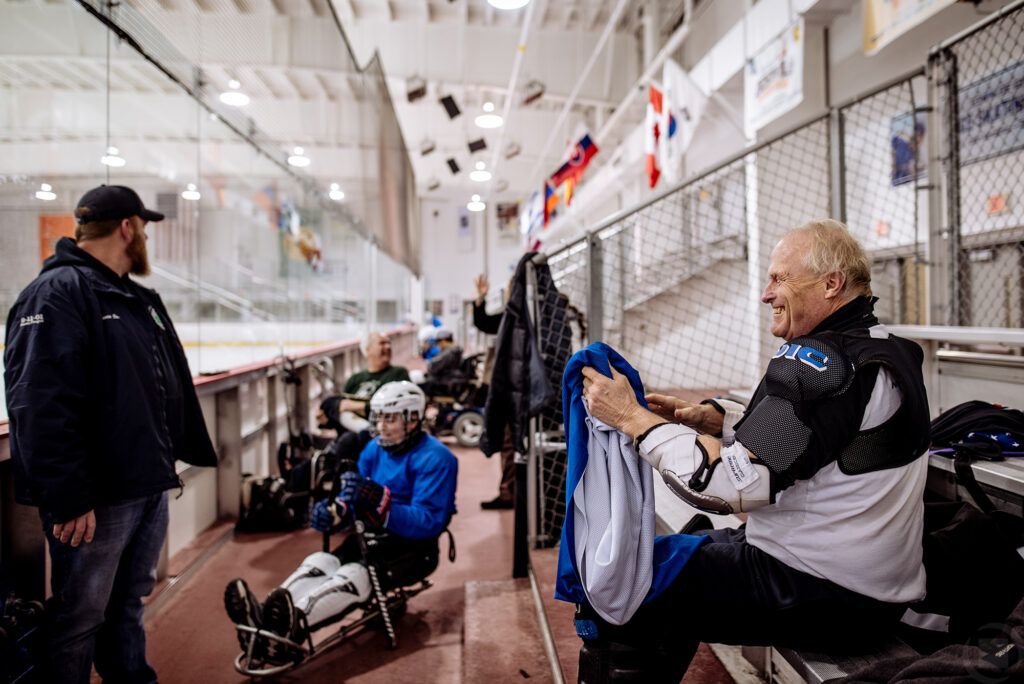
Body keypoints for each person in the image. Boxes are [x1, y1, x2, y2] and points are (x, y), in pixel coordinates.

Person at [577, 219, 931, 679]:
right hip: (867, 590)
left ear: (831, 284)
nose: (766, 293)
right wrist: (722, 420)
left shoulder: (817, 363)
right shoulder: (887, 350)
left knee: (619, 582)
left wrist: (632, 419)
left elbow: (728, 490)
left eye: (779, 278)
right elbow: (825, 439)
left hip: (819, 590)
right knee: (666, 558)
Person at [3, 184, 217, 683]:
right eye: (144, 227)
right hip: (96, 500)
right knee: (80, 617)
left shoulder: (132, 297)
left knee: (126, 606)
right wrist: (70, 495)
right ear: (128, 227)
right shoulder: (56, 294)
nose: (144, 236)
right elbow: (38, 402)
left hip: (143, 485)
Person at [224, 381, 457, 664]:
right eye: (379, 417)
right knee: (320, 562)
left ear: (413, 418)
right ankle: (264, 621)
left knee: (353, 576)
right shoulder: (374, 449)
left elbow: (428, 522)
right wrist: (335, 512)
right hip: (369, 538)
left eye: (391, 418)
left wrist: (379, 503)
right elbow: (353, 498)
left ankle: (290, 626)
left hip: (414, 550)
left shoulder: (438, 458)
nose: (382, 426)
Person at [472, 274, 514, 510]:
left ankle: (513, 493)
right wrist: (481, 297)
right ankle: (509, 492)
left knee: (511, 442)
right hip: (509, 391)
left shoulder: (539, 315)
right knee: (509, 442)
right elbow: (484, 323)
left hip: (522, 391)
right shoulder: (511, 317)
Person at [317, 331, 410, 434]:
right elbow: (342, 409)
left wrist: (355, 406)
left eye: (389, 343)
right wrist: (327, 420)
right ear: (368, 349)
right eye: (382, 343)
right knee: (330, 402)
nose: (388, 347)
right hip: (351, 430)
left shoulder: (398, 373)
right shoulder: (355, 379)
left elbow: (401, 406)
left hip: (378, 431)